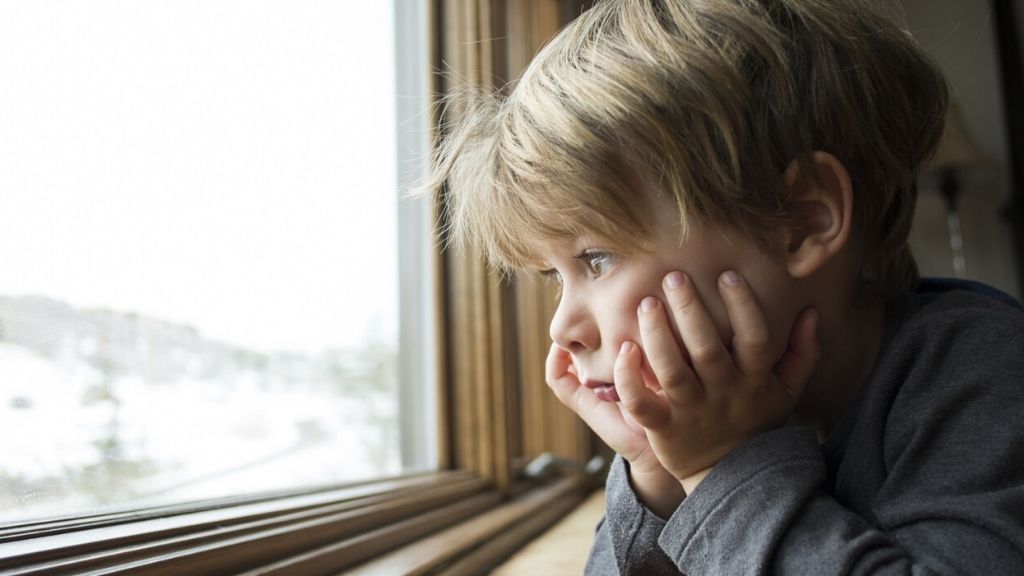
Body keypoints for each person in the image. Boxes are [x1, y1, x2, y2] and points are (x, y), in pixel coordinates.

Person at [419, 0, 1024, 573]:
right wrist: (657, 472)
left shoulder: (980, 370)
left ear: (801, 223)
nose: (563, 329)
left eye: (597, 259)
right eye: (555, 277)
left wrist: (722, 469)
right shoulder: (698, 419)